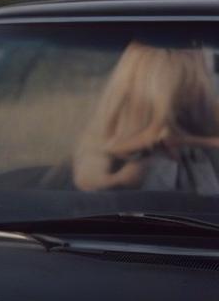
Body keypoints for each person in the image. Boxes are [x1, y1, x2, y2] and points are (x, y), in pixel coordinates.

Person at [72, 40, 219, 193]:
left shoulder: (208, 122)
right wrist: (120, 179)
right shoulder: (108, 137)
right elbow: (88, 177)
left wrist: (188, 140)